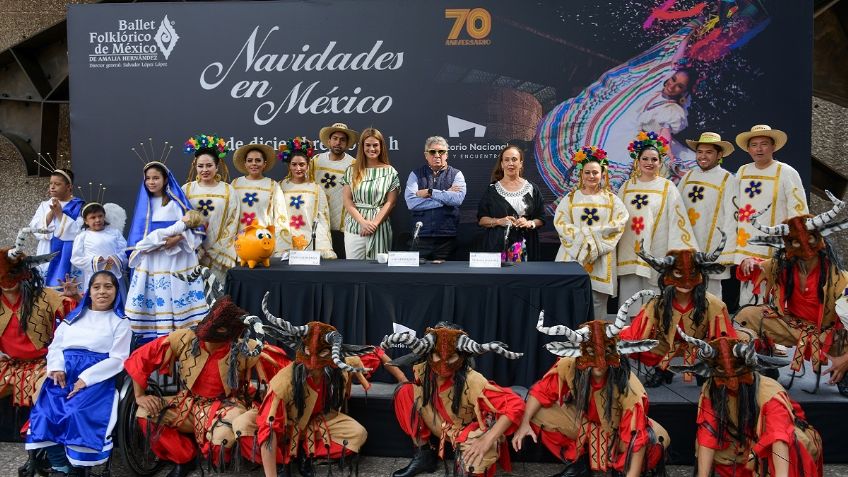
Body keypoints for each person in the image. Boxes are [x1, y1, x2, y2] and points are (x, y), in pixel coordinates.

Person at [125, 287, 285, 477]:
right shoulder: (184, 338)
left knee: (221, 440)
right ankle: (183, 457)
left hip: (227, 406)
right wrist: (139, 395)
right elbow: (142, 357)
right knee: (144, 413)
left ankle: (227, 458)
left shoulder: (244, 347)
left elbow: (282, 370)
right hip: (187, 403)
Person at [512, 308, 669, 477]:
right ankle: (581, 463)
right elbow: (542, 391)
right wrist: (524, 424)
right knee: (535, 413)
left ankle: (619, 468)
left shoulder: (629, 386)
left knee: (650, 444)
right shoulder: (569, 365)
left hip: (618, 429)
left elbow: (637, 440)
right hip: (585, 421)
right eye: (592, 353)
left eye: (606, 352)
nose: (599, 363)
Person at [735, 193, 848, 396]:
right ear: (787, 247)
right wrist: (748, 262)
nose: (805, 249)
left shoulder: (841, 279)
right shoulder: (782, 265)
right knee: (748, 316)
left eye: (810, 239)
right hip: (792, 325)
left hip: (830, 335)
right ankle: (763, 363)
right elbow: (757, 268)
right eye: (796, 243)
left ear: (820, 242)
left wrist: (846, 358)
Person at [673, 329, 823, 477]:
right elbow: (708, 433)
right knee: (710, 449)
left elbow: (779, 437)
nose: (731, 383)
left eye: (737, 375)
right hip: (740, 444)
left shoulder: (769, 392)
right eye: (723, 377)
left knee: (791, 449)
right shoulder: (711, 388)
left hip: (776, 444)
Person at [382, 322, 525, 477]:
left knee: (475, 462)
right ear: (429, 353)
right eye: (437, 356)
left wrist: (488, 439)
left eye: (451, 358)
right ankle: (424, 455)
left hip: (467, 432)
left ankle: (468, 461)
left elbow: (515, 403)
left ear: (462, 356)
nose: (443, 365)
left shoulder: (473, 380)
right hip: (441, 424)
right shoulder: (423, 369)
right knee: (405, 392)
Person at [25, 271, 131, 475]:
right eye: (96, 287)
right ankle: (60, 465)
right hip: (65, 373)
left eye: (108, 286)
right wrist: (56, 368)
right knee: (46, 413)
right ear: (89, 292)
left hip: (96, 377)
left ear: (116, 291)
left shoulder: (120, 322)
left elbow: (118, 359)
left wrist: (86, 378)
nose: (102, 291)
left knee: (76, 413)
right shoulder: (72, 320)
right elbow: (56, 347)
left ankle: (77, 468)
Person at [257, 295, 372, 477]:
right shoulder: (284, 381)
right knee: (258, 435)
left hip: (320, 422)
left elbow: (366, 357)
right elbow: (268, 428)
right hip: (287, 426)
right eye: (309, 351)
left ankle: (305, 453)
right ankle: (284, 459)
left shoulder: (337, 369)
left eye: (323, 353)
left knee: (358, 434)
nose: (313, 361)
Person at [1, 228, 79, 477]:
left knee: (45, 401)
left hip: (43, 364)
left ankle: (58, 463)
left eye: (11, 276)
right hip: (9, 364)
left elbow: (77, 319)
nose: (7, 284)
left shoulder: (45, 296)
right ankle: (37, 457)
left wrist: (75, 297)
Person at [619, 236, 737, 387]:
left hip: (701, 345)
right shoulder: (657, 304)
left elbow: (724, 336)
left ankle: (706, 369)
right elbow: (636, 332)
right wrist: (619, 340)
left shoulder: (713, 304)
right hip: (665, 344)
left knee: (720, 350)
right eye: (678, 274)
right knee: (635, 344)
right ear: (668, 275)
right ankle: (662, 370)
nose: (686, 283)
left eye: (693, 274)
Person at [125, 161, 207, 341]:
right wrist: (155, 243)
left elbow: (196, 230)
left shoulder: (176, 203)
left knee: (175, 293)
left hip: (176, 258)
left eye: (156, 178)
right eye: (148, 178)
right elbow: (140, 238)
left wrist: (177, 238)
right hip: (152, 261)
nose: (152, 182)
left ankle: (180, 336)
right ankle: (156, 342)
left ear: (165, 179)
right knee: (155, 299)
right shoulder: (144, 206)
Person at [617, 131, 698, 308]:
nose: (649, 163)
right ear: (638, 161)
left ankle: (653, 329)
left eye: (654, 159)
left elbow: (678, 218)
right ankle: (630, 332)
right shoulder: (627, 186)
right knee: (630, 297)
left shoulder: (667, 187)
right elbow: (616, 216)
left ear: (660, 163)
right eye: (645, 159)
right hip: (630, 248)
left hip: (657, 248)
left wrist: (679, 251)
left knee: (654, 300)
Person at [733, 125, 808, 307]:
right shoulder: (742, 171)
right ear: (748, 149)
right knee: (748, 300)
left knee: (776, 299)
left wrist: (795, 246)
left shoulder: (786, 172)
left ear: (773, 147)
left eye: (764, 144)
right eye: (754, 145)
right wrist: (739, 252)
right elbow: (734, 208)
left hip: (777, 248)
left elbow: (798, 212)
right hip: (747, 247)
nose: (759, 149)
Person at [553, 146, 628, 320]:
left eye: (595, 172)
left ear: (602, 174)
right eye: (587, 172)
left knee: (597, 303)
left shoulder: (611, 199)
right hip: (573, 256)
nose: (591, 176)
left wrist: (592, 240)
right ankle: (572, 340)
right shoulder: (571, 198)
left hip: (601, 259)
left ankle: (596, 342)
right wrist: (584, 241)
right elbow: (560, 222)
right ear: (581, 174)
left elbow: (619, 222)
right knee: (571, 300)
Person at [677, 132, 738, 297]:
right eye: (700, 152)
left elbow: (733, 218)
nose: (703, 156)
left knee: (711, 298)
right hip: (688, 245)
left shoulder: (727, 179)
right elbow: (676, 210)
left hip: (712, 249)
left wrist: (725, 251)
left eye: (709, 152)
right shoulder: (688, 176)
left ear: (719, 155)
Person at [182, 134, 240, 282]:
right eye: (200, 166)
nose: (205, 170)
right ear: (195, 166)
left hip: (218, 257)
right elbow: (179, 220)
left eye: (209, 165)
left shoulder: (228, 191)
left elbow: (233, 222)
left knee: (218, 299)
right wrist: (195, 247)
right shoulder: (186, 190)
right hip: (192, 254)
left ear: (217, 166)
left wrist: (217, 250)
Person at [476, 145, 546, 261]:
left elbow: (541, 218)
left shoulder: (532, 188)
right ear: (502, 164)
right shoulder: (492, 190)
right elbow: (482, 220)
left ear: (521, 163)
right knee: (499, 279)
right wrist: (498, 221)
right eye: (506, 160)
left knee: (524, 278)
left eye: (514, 159)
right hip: (497, 247)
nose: (510, 163)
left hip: (526, 247)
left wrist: (529, 223)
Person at [404, 136, 467, 262]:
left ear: (446, 155)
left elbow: (457, 199)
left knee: (448, 279)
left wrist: (430, 192)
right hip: (421, 237)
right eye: (432, 152)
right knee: (417, 279)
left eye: (441, 152)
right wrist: (445, 198)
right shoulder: (415, 174)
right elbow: (411, 203)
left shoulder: (457, 174)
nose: (437, 155)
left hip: (447, 238)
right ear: (426, 155)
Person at [341, 128, 400, 260]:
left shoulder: (390, 172)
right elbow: (347, 200)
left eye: (375, 145)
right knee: (353, 269)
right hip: (355, 227)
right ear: (362, 147)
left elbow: (391, 203)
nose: (372, 149)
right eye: (368, 145)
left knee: (378, 272)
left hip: (379, 227)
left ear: (381, 146)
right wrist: (363, 222)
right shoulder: (351, 170)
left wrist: (373, 224)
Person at [278, 137, 337, 259]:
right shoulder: (280, 187)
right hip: (286, 243)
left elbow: (323, 219)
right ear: (289, 165)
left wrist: (322, 246)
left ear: (308, 165)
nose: (298, 168)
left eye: (302, 164)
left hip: (310, 243)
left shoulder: (316, 189)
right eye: (294, 164)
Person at [230, 142, 290, 255]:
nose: (254, 164)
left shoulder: (273, 185)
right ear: (245, 163)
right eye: (250, 160)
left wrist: (282, 248)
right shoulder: (236, 184)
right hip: (240, 243)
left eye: (258, 160)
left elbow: (280, 216)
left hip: (264, 243)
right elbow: (230, 216)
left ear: (264, 164)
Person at [28, 168, 84, 288]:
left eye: (57, 184)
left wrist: (59, 214)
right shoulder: (44, 205)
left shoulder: (78, 206)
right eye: (51, 183)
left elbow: (78, 232)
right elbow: (35, 228)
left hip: (68, 254)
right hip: (46, 250)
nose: (52, 187)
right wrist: (51, 213)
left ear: (69, 186)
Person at [312, 122, 358, 258]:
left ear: (347, 143)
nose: (338, 143)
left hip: (341, 227)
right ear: (328, 141)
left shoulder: (353, 164)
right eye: (335, 139)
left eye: (342, 140)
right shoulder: (316, 160)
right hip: (318, 223)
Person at [70, 202, 128, 301]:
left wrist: (116, 258)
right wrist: (94, 260)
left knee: (116, 297)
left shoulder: (114, 233)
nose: (97, 220)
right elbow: (76, 258)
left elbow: (125, 250)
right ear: (86, 220)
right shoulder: (82, 236)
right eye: (93, 217)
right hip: (94, 275)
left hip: (114, 271)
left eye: (100, 216)